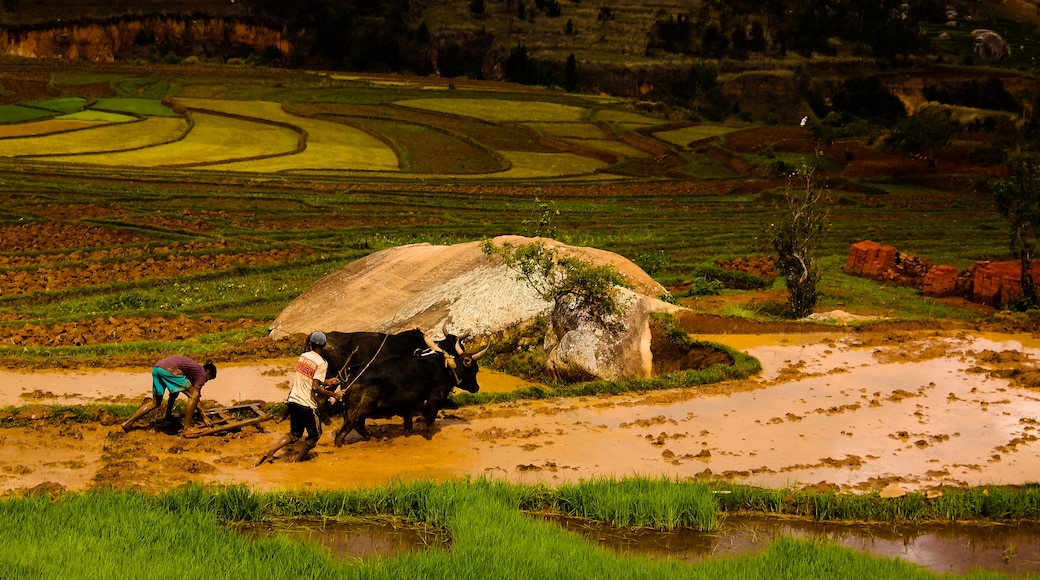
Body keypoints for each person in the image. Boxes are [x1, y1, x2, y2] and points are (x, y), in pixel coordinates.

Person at [254, 331, 342, 466]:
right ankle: (297, 461)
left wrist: (327, 381)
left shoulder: (303, 356)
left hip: (293, 400)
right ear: (324, 345)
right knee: (315, 436)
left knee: (295, 434)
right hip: (306, 404)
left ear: (311, 343)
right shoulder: (322, 363)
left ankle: (270, 451)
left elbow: (309, 379)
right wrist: (334, 395)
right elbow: (315, 387)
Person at [121, 356, 217, 434]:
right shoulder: (202, 374)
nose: (206, 381)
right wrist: (204, 417)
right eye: (209, 379)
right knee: (194, 396)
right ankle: (187, 429)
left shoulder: (192, 371)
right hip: (169, 369)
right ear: (208, 372)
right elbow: (195, 396)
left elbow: (175, 392)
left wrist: (168, 414)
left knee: (155, 402)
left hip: (157, 368)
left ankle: (128, 423)